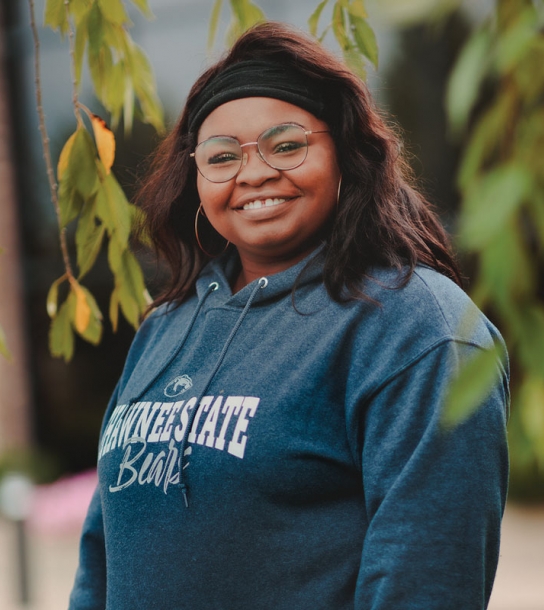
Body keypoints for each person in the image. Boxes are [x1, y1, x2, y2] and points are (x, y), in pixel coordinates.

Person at [69, 21, 509, 610]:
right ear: (196, 179)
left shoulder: (415, 328)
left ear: (345, 156)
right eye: (221, 157)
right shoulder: (166, 327)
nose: (253, 174)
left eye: (286, 144)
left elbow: (425, 584)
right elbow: (101, 559)